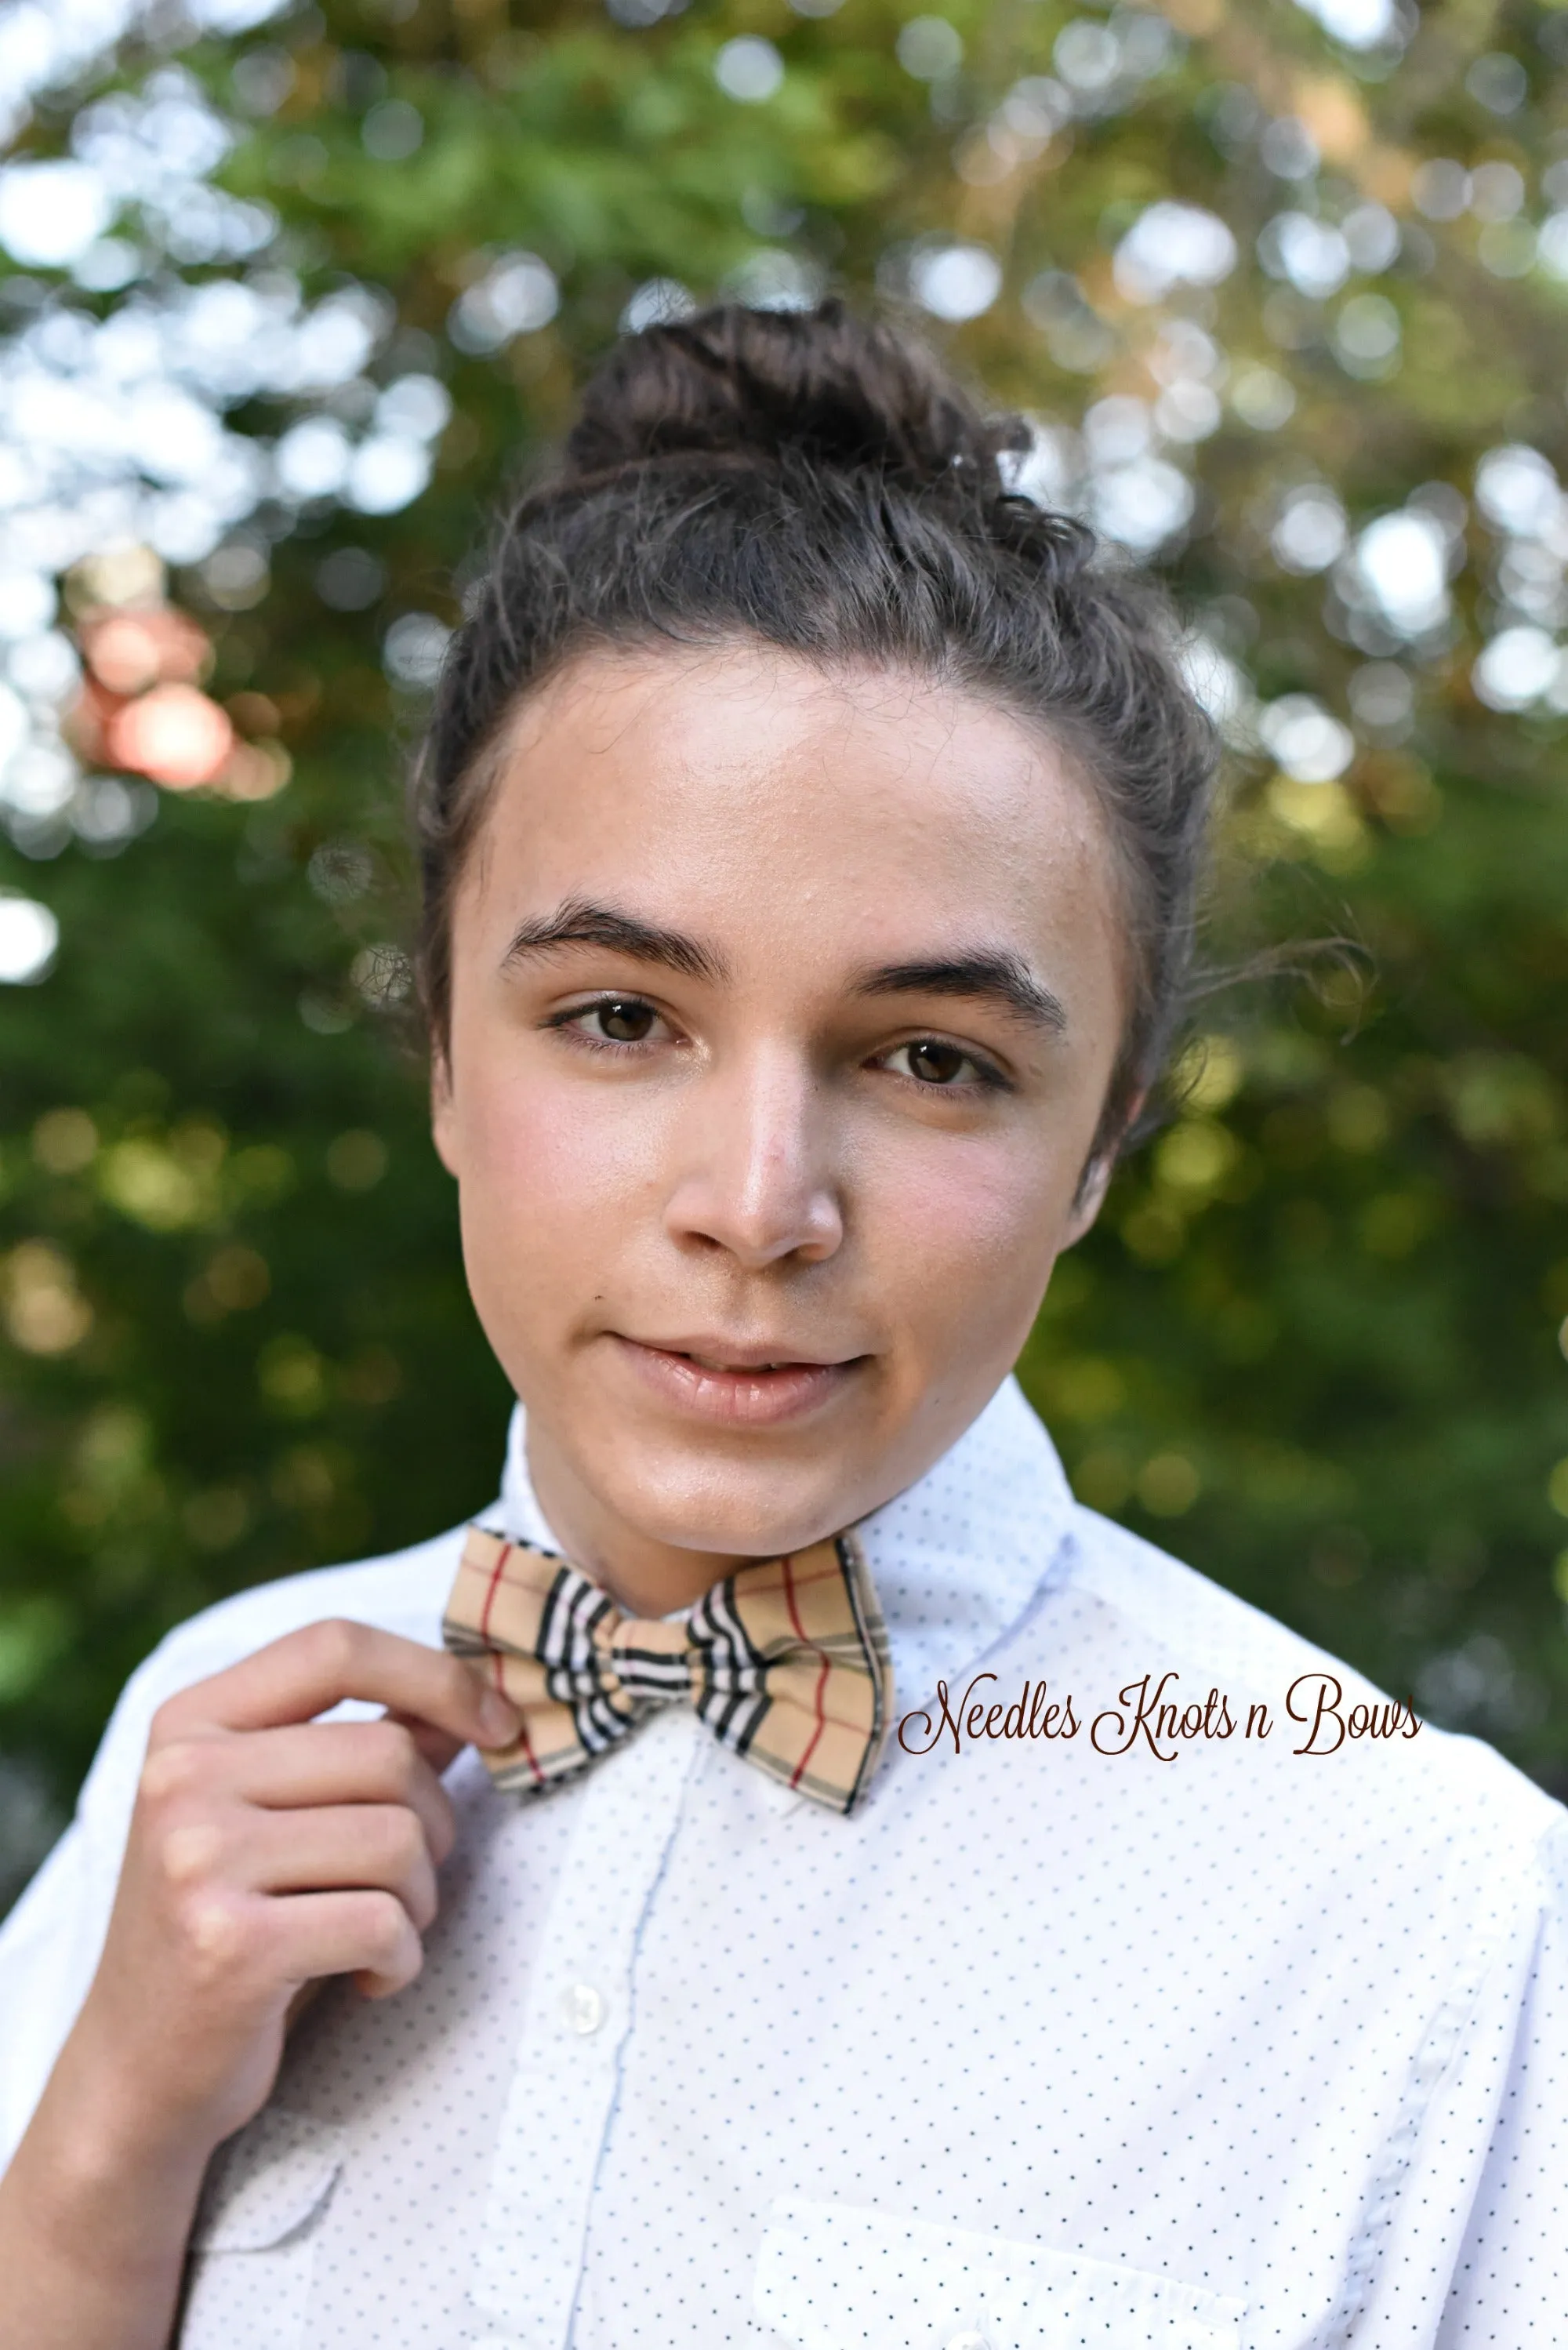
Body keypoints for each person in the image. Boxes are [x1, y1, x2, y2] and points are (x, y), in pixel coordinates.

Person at [0, 303, 1561, 2350]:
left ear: (1104, 1139)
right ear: (445, 1058)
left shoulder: (1429, 1915)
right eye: (621, 1017)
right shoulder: (219, 1732)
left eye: (929, 1056)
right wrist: (100, 2150)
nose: (757, 1201)